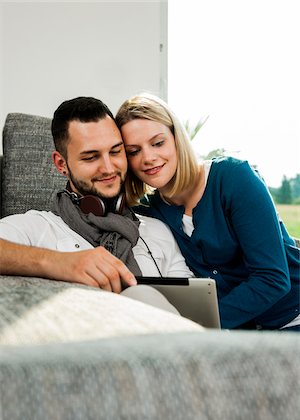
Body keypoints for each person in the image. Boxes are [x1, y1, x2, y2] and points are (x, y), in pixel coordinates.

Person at [115, 92, 300, 331]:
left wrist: (197, 326)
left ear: (176, 139)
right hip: (241, 330)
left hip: (293, 315)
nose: (148, 157)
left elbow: (272, 279)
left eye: (158, 143)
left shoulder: (234, 178)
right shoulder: (151, 212)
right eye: (133, 151)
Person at [0, 96, 193, 304]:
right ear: (61, 164)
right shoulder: (36, 228)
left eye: (116, 151)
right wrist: (59, 263)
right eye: (91, 157)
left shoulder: (157, 231)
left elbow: (192, 308)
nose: (109, 168)